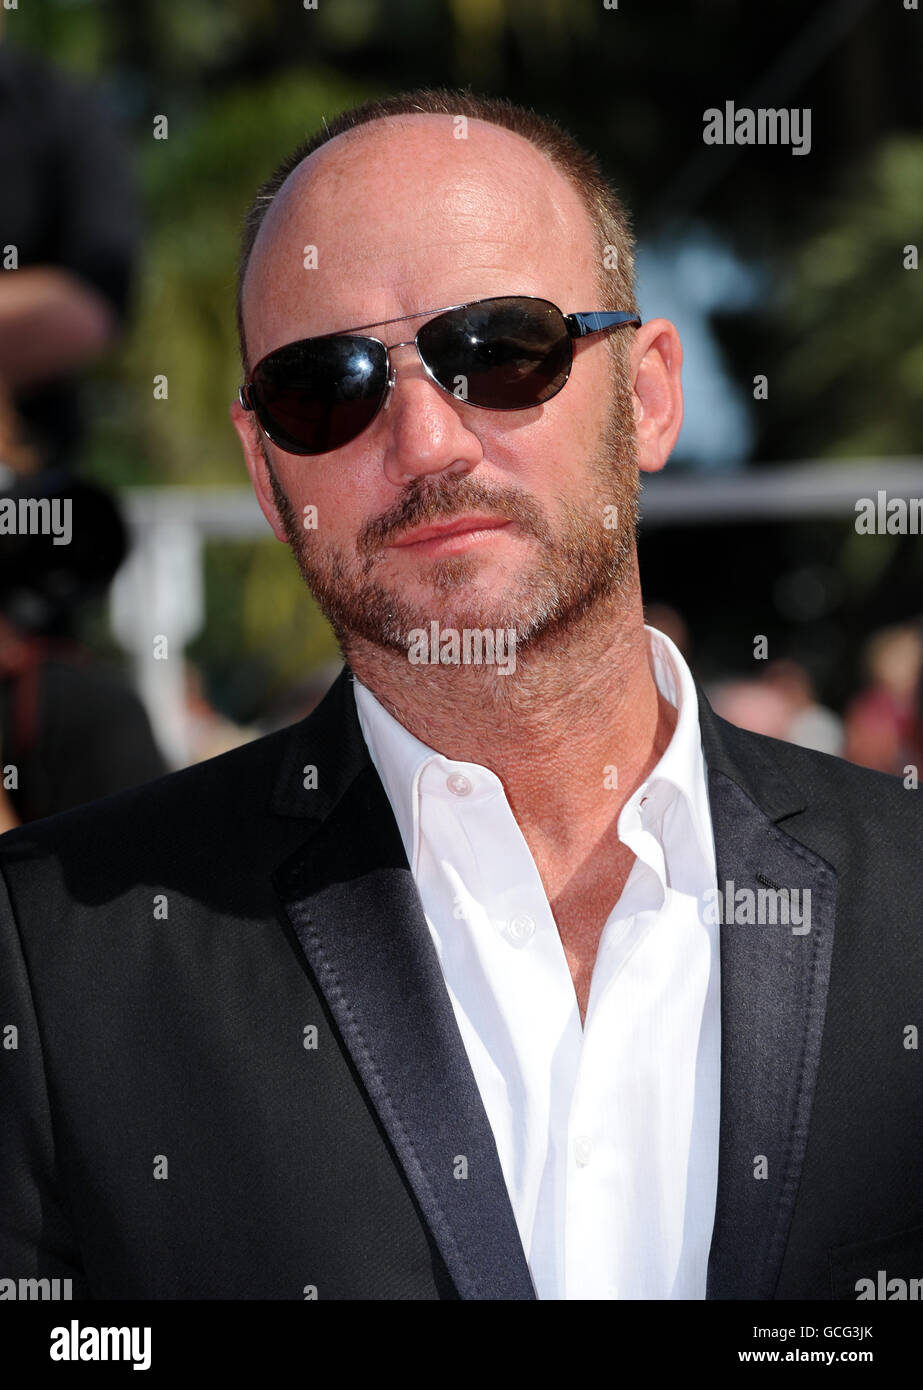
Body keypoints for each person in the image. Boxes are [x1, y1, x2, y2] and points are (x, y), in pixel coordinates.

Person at [1, 89, 920, 1302]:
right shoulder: (52, 961)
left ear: (644, 396)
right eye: (323, 386)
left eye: (498, 347)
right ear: (267, 479)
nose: (425, 439)